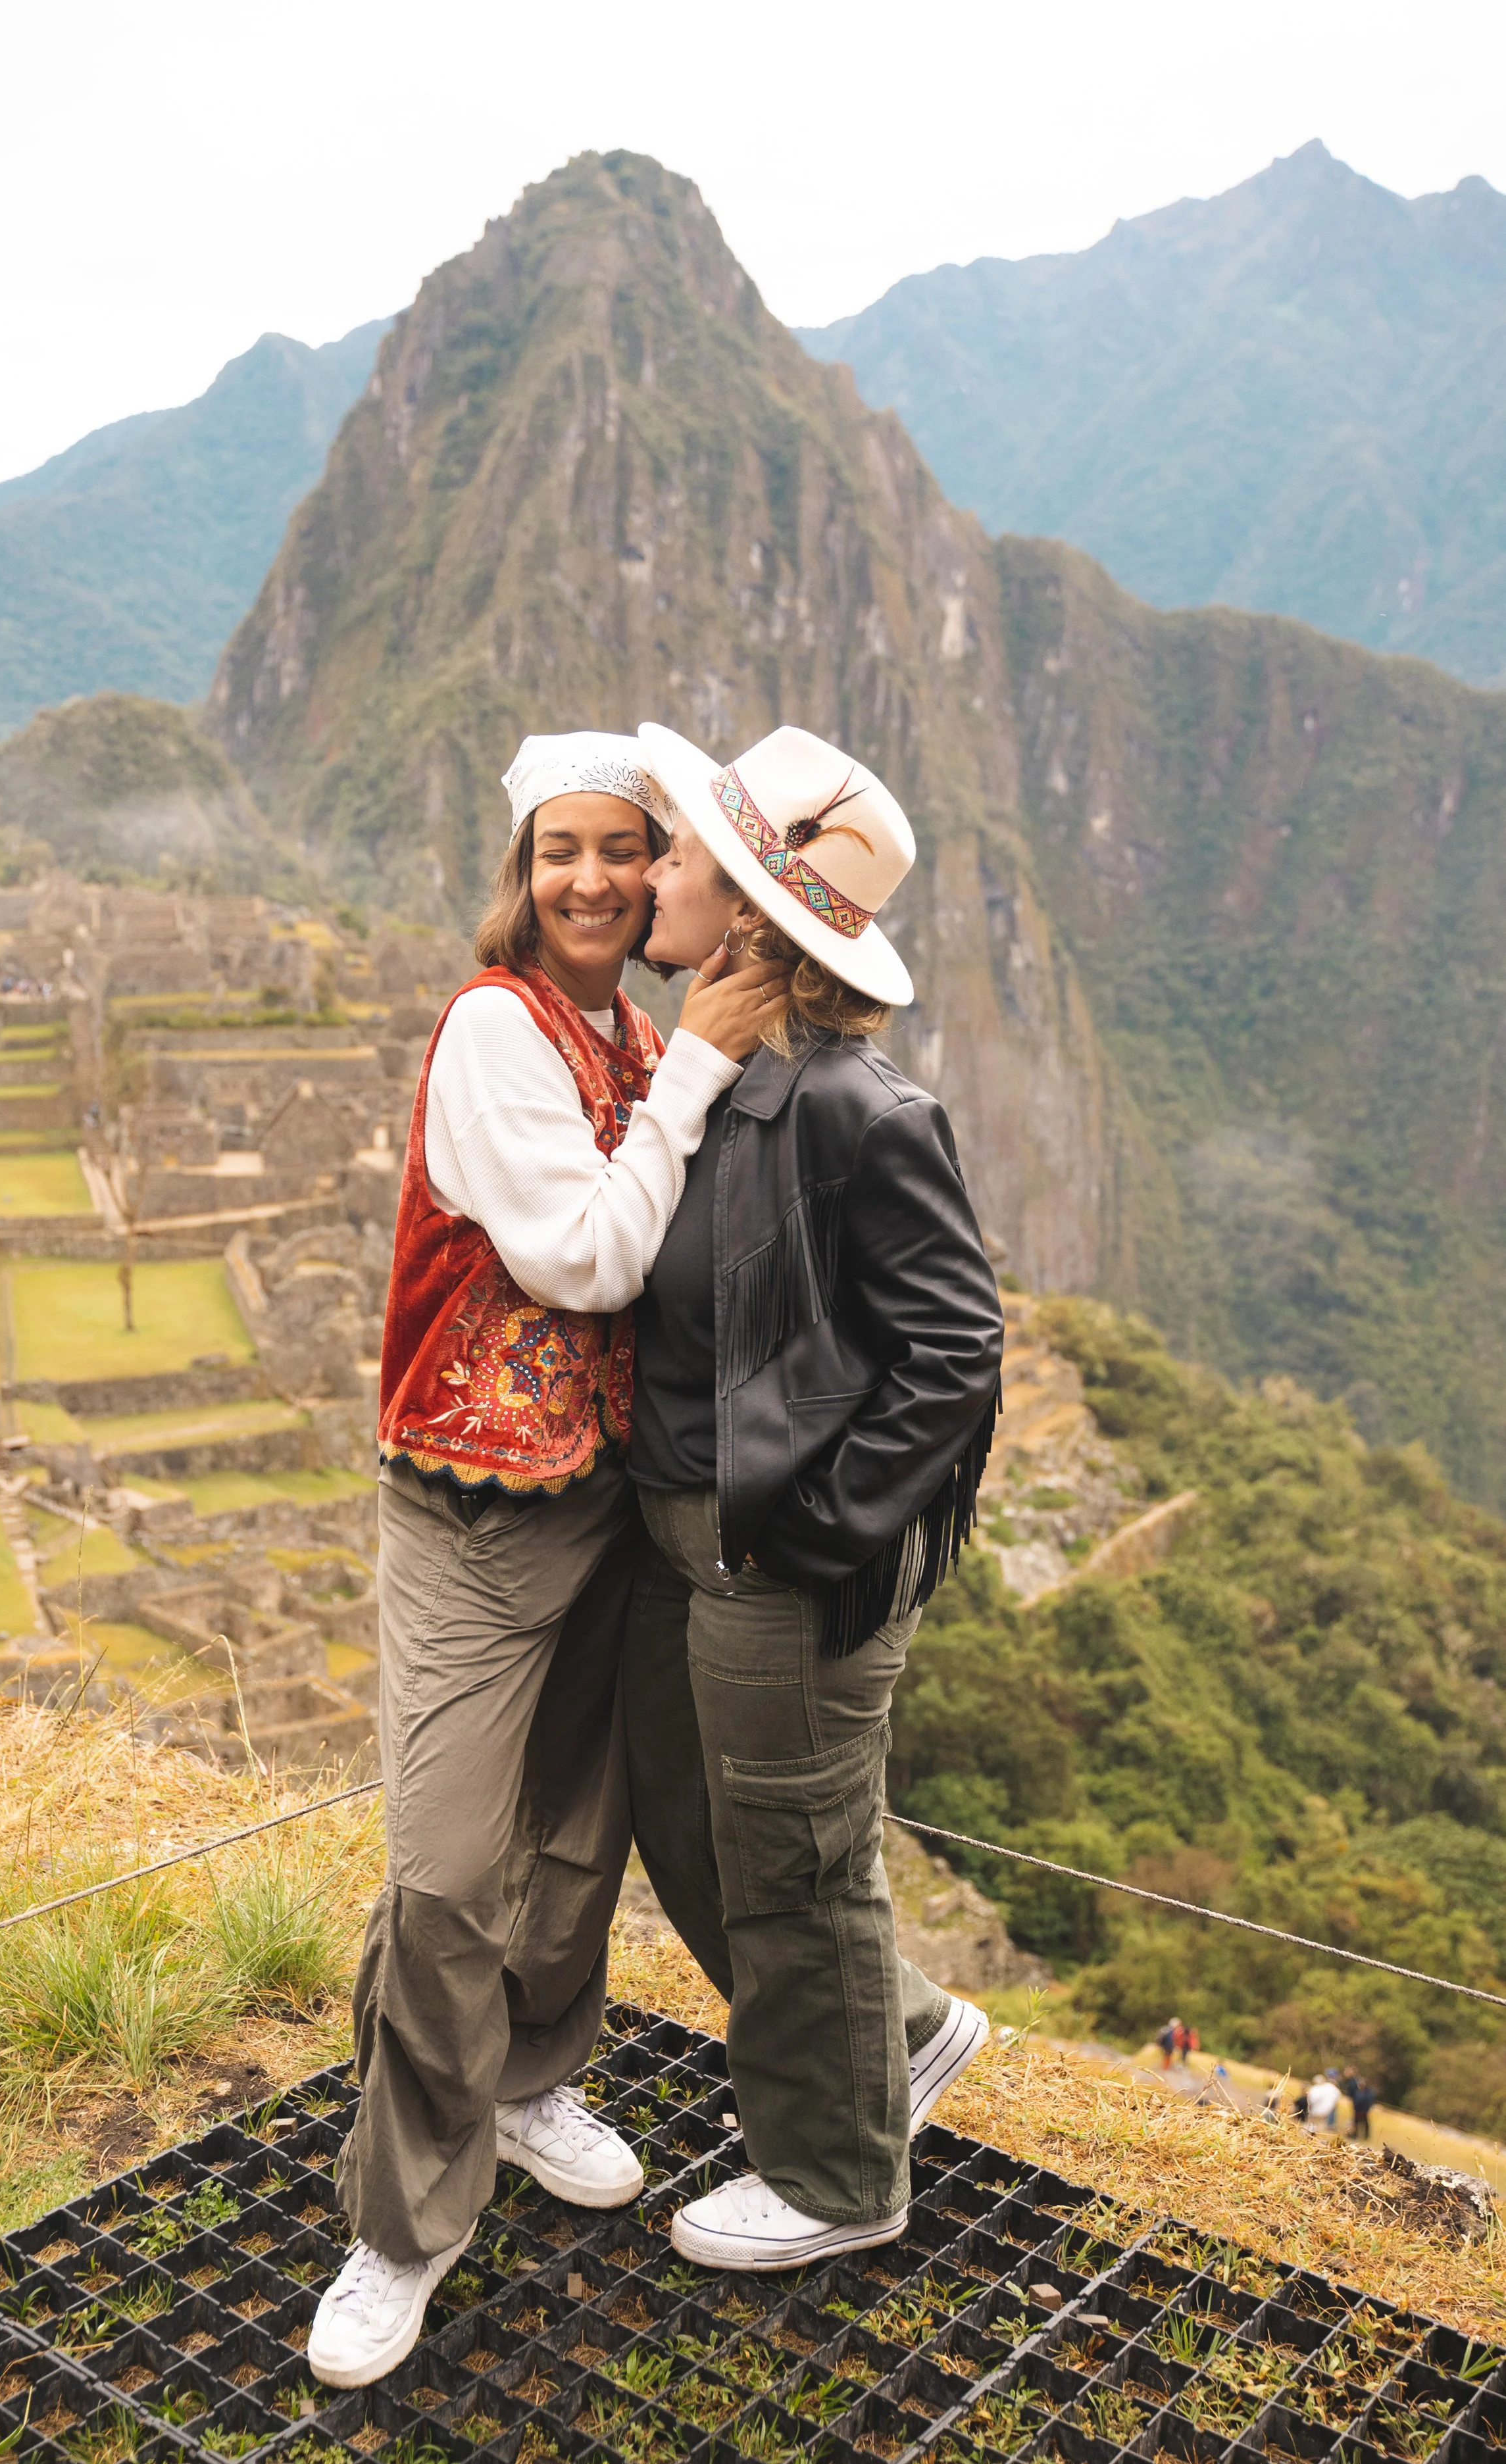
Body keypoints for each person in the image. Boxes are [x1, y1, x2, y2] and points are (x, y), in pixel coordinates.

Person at [310, 731, 786, 2388]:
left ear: (660, 869)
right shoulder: (494, 1035)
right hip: (465, 1516)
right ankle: (398, 2229)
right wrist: (702, 1075)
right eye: (558, 850)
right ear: (521, 870)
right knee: (447, 1870)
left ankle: (527, 2086)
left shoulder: (630, 1036)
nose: (589, 879)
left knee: (578, 1840)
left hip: (599, 1505)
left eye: (620, 850)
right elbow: (585, 1259)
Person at [620, 721, 1005, 2270]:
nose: (651, 875)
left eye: (683, 859)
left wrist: (812, 1530)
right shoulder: (713, 1087)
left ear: (750, 913)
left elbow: (955, 1349)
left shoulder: (855, 1112)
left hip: (773, 1568)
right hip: (693, 1551)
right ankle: (893, 2036)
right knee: (700, 1835)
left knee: (791, 1857)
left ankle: (839, 2176)